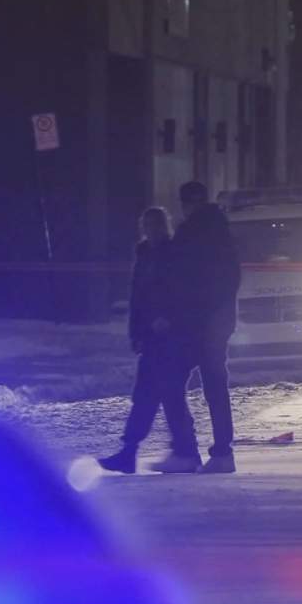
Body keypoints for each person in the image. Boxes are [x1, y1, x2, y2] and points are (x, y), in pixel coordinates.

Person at [98, 208, 200, 474]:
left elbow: (179, 293)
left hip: (170, 338)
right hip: (154, 337)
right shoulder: (146, 253)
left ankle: (182, 451)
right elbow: (138, 298)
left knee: (168, 394)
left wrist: (167, 318)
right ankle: (135, 451)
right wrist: (138, 332)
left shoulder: (171, 253)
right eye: (147, 225)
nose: (150, 230)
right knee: (149, 396)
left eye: (155, 225)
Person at [160, 181, 242, 474]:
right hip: (216, 324)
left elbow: (179, 280)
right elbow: (230, 279)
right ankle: (222, 452)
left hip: (193, 324)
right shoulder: (222, 234)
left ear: (185, 204)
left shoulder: (189, 234)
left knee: (170, 382)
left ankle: (186, 450)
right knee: (216, 388)